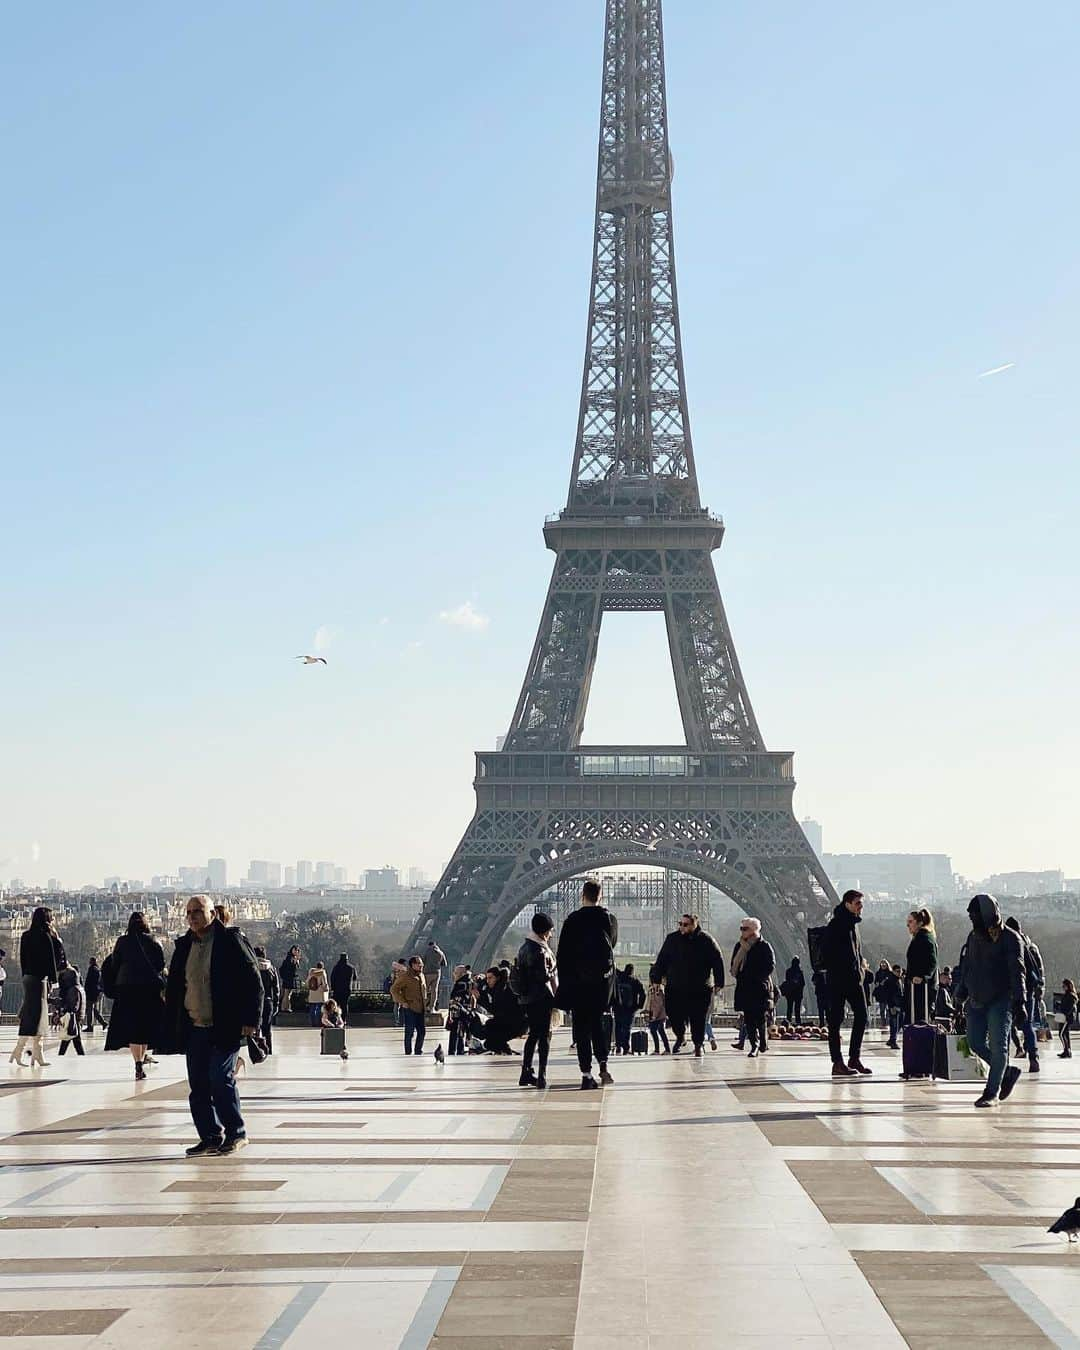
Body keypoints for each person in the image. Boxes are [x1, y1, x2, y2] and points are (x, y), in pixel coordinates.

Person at [161, 895, 263, 1156]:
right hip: (195, 1026)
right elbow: (176, 985)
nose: (192, 916)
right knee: (198, 1086)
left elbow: (253, 982)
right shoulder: (185, 946)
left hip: (225, 1025)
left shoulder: (230, 941)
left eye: (198, 911)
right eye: (189, 912)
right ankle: (209, 1136)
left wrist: (252, 1020)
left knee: (220, 1079)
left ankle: (236, 1132)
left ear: (212, 914)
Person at [954, 894, 1026, 1108]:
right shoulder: (973, 937)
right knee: (975, 1043)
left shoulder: (1010, 938)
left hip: (1001, 999)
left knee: (998, 1047)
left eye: (974, 915)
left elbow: (1017, 972)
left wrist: (1020, 1002)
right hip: (976, 998)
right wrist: (960, 992)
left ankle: (991, 1091)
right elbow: (967, 967)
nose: (972, 919)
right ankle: (1007, 1071)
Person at [556, 879, 618, 1090]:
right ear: (600, 896)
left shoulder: (572, 920)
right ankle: (603, 1062)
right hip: (600, 984)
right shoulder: (609, 918)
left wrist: (564, 986)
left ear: (582, 895)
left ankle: (585, 1073)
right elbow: (613, 944)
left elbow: (562, 955)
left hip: (577, 984)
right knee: (598, 1024)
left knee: (581, 1030)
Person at [651, 913, 726, 1059]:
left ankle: (698, 1045)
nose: (681, 927)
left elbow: (717, 961)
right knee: (674, 1015)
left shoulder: (707, 940)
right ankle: (680, 1036)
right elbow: (662, 960)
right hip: (675, 987)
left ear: (694, 925)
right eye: (680, 924)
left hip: (700, 988)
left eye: (685, 924)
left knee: (698, 1018)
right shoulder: (672, 939)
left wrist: (719, 982)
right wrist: (656, 978)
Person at [104, 912, 166, 1080]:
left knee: (132, 1027)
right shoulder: (153, 941)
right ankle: (141, 1059)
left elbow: (115, 964)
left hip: (126, 988)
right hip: (148, 988)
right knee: (144, 1027)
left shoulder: (122, 942)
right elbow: (161, 964)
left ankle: (137, 1062)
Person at [822, 890, 871, 1076]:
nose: (861, 906)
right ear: (847, 904)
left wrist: (860, 969)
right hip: (839, 980)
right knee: (835, 1022)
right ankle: (838, 1062)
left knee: (862, 1016)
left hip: (854, 979)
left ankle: (853, 1058)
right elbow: (829, 954)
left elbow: (855, 953)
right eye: (858, 903)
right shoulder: (836, 925)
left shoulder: (852, 925)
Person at [11, 907, 65, 1067]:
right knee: (36, 1018)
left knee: (35, 1016)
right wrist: (54, 981)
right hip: (40, 980)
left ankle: (34, 1053)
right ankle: (22, 1051)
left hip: (28, 977)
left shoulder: (26, 936)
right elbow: (52, 960)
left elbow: (22, 959)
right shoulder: (46, 937)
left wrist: (24, 975)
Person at [514, 912, 558, 1088]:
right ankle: (542, 1075)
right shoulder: (540, 950)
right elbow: (542, 976)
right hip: (541, 998)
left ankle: (526, 1071)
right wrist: (554, 969)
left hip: (527, 998)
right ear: (544, 931)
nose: (551, 934)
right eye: (550, 931)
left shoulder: (524, 947)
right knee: (545, 1036)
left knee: (533, 1035)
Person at [1004, 916, 1043, 1073]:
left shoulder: (1009, 944)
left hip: (1011, 991)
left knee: (1005, 1025)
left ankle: (1004, 1061)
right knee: (1028, 1026)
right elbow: (1039, 970)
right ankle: (1034, 1058)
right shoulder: (1031, 946)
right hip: (1029, 990)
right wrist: (1040, 989)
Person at [732, 918, 776, 1057]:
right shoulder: (739, 946)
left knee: (760, 1018)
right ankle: (754, 1045)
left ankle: (762, 1042)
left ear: (753, 931)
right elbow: (734, 966)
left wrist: (758, 977)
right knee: (749, 1019)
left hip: (759, 988)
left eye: (745, 929)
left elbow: (770, 966)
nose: (742, 931)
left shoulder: (764, 946)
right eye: (741, 928)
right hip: (745, 988)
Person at [904, 908, 938, 1025]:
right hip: (916, 987)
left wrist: (923, 977)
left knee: (920, 1021)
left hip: (922, 989)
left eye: (911, 922)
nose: (908, 925)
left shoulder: (924, 938)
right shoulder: (918, 938)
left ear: (920, 923)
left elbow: (932, 962)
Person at [481, 966, 525, 1054]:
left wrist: (480, 999)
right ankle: (505, 1051)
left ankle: (506, 1051)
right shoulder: (499, 988)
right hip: (511, 1022)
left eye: (490, 978)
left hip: (515, 1024)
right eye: (487, 978)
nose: (488, 981)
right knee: (490, 1033)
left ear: (497, 978)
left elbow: (496, 1010)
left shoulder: (502, 990)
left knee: (490, 1041)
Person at [391, 956, 428, 1056]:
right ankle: (408, 1051)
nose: (421, 965)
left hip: (421, 1008)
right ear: (412, 965)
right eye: (418, 964)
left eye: (421, 964)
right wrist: (402, 1002)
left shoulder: (422, 975)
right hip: (410, 1008)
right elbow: (394, 990)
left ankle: (418, 1050)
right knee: (409, 1032)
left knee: (422, 1032)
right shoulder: (405, 976)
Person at [612, 964, 645, 1055]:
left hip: (618, 1008)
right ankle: (626, 1048)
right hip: (630, 1009)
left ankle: (618, 1047)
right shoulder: (634, 981)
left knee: (618, 1027)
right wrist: (639, 1005)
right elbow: (643, 994)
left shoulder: (619, 979)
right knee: (627, 1028)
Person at [252, 946, 279, 1054]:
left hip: (255, 1001)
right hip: (268, 1000)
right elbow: (276, 987)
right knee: (267, 1028)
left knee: (255, 1027)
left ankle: (256, 1051)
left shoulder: (252, 966)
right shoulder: (271, 968)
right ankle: (269, 1050)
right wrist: (276, 1003)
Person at [56, 965, 86, 1057]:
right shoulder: (78, 987)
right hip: (76, 1018)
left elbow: (73, 1006)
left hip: (72, 1018)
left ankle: (61, 1056)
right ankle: (81, 1056)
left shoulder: (73, 989)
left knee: (68, 1039)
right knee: (75, 1041)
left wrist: (63, 1009)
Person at [446, 965, 473, 1056]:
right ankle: (460, 1050)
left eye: (455, 972)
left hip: (458, 1010)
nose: (454, 974)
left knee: (454, 1032)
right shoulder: (468, 982)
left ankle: (452, 1051)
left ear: (461, 974)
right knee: (461, 1031)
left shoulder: (461, 983)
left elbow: (458, 997)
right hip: (464, 1010)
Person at [880, 964, 904, 1049]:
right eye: (898, 971)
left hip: (900, 1005)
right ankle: (893, 1040)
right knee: (894, 1024)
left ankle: (892, 1039)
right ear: (893, 971)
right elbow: (888, 995)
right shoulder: (890, 981)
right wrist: (891, 1006)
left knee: (900, 1023)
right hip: (893, 1006)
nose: (900, 973)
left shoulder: (899, 980)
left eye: (900, 971)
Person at [84, 956, 108, 1032]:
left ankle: (90, 1026)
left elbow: (89, 982)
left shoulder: (92, 969)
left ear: (91, 962)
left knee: (89, 1009)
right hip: (96, 993)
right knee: (93, 1009)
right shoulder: (98, 970)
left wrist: (86, 991)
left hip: (91, 993)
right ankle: (103, 1023)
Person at [423, 941, 448, 1012]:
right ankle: (432, 1007)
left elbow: (423, 962)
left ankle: (424, 1006)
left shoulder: (427, 951)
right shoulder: (440, 952)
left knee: (425, 990)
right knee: (434, 990)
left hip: (427, 973)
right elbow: (444, 964)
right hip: (437, 973)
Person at [646, 981, 670, 1054]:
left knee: (654, 1031)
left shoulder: (657, 992)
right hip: (658, 1015)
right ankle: (666, 1049)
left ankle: (658, 1050)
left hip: (658, 1016)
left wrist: (654, 1016)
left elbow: (658, 1005)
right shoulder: (654, 991)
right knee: (660, 1031)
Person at [781, 956, 805, 1024]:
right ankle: (798, 1023)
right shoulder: (800, 972)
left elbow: (787, 981)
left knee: (789, 1009)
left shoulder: (788, 971)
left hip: (790, 994)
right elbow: (803, 983)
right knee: (797, 1010)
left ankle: (788, 1022)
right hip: (798, 994)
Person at [305, 962, 329, 1028]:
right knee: (319, 1009)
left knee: (312, 1008)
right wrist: (326, 989)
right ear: (322, 967)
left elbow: (307, 982)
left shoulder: (311, 973)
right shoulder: (322, 973)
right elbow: (325, 983)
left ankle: (313, 1023)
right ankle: (319, 1022)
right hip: (320, 993)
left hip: (312, 993)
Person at [278, 946, 301, 1014]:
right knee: (287, 994)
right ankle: (285, 1007)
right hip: (289, 979)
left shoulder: (289, 958)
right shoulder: (291, 959)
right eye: (295, 950)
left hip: (287, 978)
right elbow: (294, 969)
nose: (296, 952)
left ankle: (284, 1007)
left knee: (286, 993)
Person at [1059, 979, 1077, 1059]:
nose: (1063, 987)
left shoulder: (1071, 995)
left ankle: (1067, 1050)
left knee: (1061, 1034)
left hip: (1067, 1017)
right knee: (1066, 1033)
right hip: (1065, 1016)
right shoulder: (1067, 995)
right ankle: (1067, 1050)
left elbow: (1070, 1007)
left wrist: (1066, 1015)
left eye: (1064, 986)